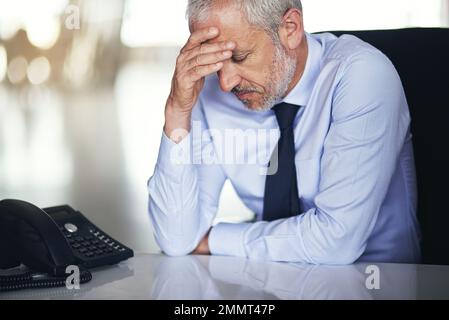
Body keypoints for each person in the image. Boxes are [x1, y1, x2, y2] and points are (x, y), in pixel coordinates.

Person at [147, 0, 421, 264]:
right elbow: (177, 239)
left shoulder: (362, 75)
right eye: (216, 64)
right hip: (270, 275)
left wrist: (215, 239)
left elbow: (337, 242)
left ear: (290, 28)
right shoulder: (211, 92)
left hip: (374, 280)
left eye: (239, 57)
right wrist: (177, 111)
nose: (226, 83)